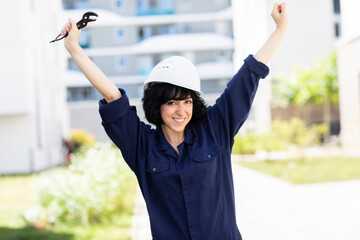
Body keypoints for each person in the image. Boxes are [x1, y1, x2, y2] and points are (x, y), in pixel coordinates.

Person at [60, 2, 288, 239]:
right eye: (171, 103)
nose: (181, 111)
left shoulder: (215, 129)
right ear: (157, 105)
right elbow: (112, 97)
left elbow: (248, 76)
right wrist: (74, 47)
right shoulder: (142, 147)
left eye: (187, 102)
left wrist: (279, 29)